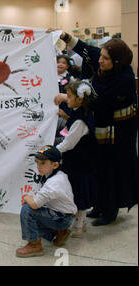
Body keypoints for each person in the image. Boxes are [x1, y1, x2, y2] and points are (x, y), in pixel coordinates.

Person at [52, 29, 138, 226]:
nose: (100, 60)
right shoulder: (102, 62)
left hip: (119, 132)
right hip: (101, 125)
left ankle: (110, 209)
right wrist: (64, 36)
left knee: (112, 168)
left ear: (116, 62)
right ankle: (98, 205)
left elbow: (98, 100)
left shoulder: (123, 79)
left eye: (105, 59)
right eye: (101, 56)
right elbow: (85, 50)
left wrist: (67, 98)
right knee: (97, 164)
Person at [16, 145, 77, 258]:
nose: (38, 166)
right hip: (63, 215)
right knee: (33, 218)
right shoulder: (56, 175)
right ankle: (59, 232)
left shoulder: (53, 183)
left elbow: (34, 204)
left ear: (55, 165)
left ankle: (35, 245)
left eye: (43, 163)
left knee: (27, 210)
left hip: (62, 218)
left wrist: (26, 198)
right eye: (37, 162)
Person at [56, 80, 97, 237]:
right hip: (77, 160)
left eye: (70, 96)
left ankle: (78, 226)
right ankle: (82, 223)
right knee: (78, 190)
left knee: (79, 192)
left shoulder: (80, 120)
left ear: (80, 99)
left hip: (80, 162)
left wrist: (53, 152)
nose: (67, 99)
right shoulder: (78, 113)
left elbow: (69, 143)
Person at [55, 55, 74, 145]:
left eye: (63, 63)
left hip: (65, 108)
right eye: (58, 62)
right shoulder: (51, 76)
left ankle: (61, 144)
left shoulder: (70, 78)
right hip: (54, 107)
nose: (60, 64)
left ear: (67, 66)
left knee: (64, 129)